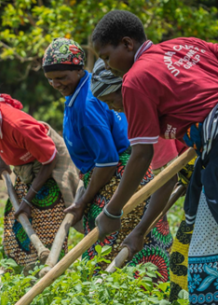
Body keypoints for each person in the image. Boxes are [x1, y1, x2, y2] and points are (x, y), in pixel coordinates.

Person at [92, 10, 218, 303]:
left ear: (126, 44)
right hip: (209, 150)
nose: (109, 67)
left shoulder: (135, 80)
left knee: (204, 261)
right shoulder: (183, 45)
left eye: (107, 57)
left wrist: (113, 211)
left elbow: (141, 155)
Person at [42, 38, 172, 281]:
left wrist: (82, 202)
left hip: (116, 183)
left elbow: (107, 161)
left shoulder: (87, 104)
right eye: (50, 79)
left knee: (114, 258)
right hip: (124, 177)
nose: (55, 84)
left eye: (61, 77)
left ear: (79, 69)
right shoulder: (88, 86)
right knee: (138, 254)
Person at [91, 58, 193, 299]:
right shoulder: (142, 106)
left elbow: (165, 178)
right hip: (196, 173)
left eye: (111, 100)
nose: (113, 108)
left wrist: (139, 230)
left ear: (123, 88)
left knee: (186, 260)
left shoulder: (146, 109)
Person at [0, 82, 81, 267]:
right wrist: (3, 158)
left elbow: (50, 158)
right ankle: (22, 272)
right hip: (27, 169)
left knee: (46, 224)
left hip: (49, 170)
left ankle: (50, 274)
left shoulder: (17, 125)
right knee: (16, 224)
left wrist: (29, 199)